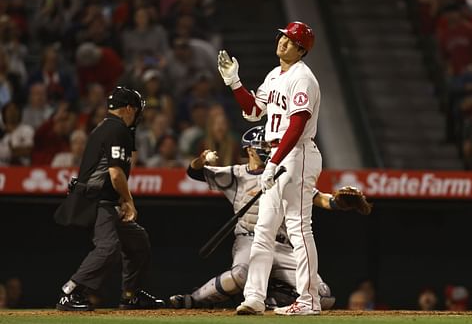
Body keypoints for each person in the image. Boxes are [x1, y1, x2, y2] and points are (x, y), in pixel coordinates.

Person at [168, 126, 335, 310]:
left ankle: (273, 297)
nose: (267, 150)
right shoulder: (237, 174)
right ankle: (194, 299)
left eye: (269, 146)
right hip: (250, 239)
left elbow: (318, 197)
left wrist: (336, 201)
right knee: (239, 275)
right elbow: (194, 172)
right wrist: (201, 160)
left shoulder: (285, 172)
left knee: (322, 294)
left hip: (282, 244)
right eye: (262, 146)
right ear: (249, 149)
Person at [218, 21, 322, 315]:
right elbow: (253, 111)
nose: (283, 42)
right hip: (278, 154)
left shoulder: (302, 78)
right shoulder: (275, 75)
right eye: (282, 37)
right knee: (263, 230)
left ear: (301, 49)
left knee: (299, 228)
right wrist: (235, 83)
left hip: (297, 154)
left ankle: (308, 299)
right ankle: (254, 297)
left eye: (290, 40)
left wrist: (274, 162)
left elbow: (298, 124)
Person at [55, 86, 164, 311]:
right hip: (97, 200)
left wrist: (121, 200)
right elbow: (115, 174)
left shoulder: (106, 127)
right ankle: (72, 291)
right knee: (108, 247)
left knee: (138, 241)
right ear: (127, 109)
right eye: (136, 110)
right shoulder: (117, 129)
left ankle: (130, 295)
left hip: (103, 199)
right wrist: (129, 201)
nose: (137, 116)